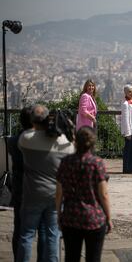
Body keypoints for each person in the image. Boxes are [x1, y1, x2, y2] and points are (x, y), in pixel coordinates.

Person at [17, 104, 75, 262]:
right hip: (55, 195)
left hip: (32, 194)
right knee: (53, 235)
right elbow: (73, 150)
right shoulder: (64, 144)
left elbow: (27, 135)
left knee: (27, 235)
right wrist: (68, 129)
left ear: (33, 121)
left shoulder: (26, 139)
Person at [56, 126, 112, 262]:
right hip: (94, 218)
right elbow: (103, 194)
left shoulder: (66, 162)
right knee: (93, 258)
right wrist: (108, 217)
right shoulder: (97, 163)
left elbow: (59, 192)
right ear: (93, 143)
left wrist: (58, 214)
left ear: (75, 141)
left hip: (71, 216)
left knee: (71, 257)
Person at [8, 107, 46, 262]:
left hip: (20, 190)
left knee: (20, 230)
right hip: (39, 191)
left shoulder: (13, 141)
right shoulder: (40, 141)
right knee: (43, 232)